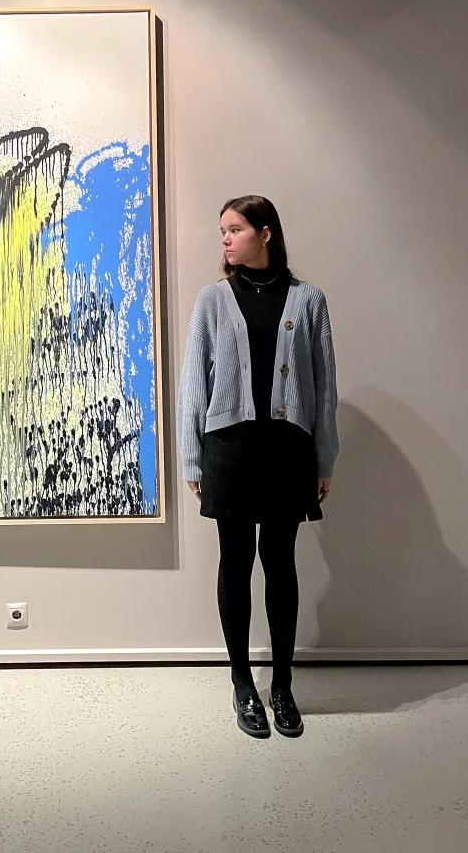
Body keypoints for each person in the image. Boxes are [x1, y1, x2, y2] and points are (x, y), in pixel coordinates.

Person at [177, 195, 338, 740]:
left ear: (265, 233)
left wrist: (325, 455)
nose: (225, 239)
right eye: (222, 230)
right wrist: (192, 455)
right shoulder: (212, 300)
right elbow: (194, 381)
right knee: (235, 563)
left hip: (289, 451)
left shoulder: (308, 300)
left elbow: (324, 385)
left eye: (234, 229)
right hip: (230, 448)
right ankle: (243, 683)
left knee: (280, 563)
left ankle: (283, 687)